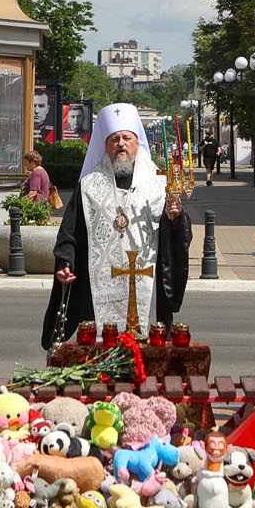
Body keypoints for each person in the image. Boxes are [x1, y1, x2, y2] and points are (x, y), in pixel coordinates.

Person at [40, 102, 191, 347]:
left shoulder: (158, 183)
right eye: (114, 139)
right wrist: (64, 262)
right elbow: (70, 232)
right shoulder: (89, 186)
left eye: (126, 138)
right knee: (99, 351)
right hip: (97, 291)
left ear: (137, 143)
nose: (120, 144)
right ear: (105, 145)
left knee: (149, 351)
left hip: (148, 288)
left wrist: (175, 218)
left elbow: (176, 236)